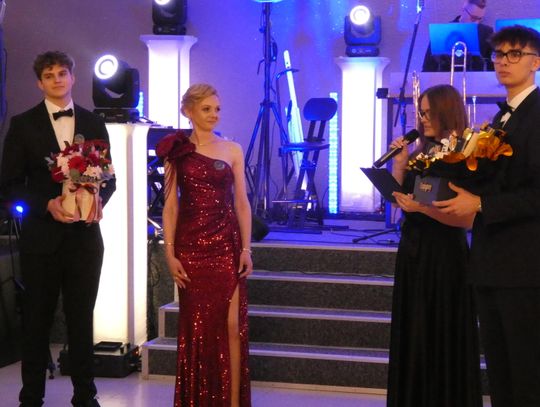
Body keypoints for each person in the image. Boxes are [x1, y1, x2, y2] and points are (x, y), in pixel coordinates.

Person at [0, 51, 115, 407]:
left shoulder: (93, 122)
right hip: (41, 240)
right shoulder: (23, 124)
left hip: (85, 239)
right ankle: (31, 398)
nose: (57, 80)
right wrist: (47, 204)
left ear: (73, 77)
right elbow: (8, 184)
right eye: (49, 75)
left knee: (82, 320)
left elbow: (109, 178)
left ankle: (85, 396)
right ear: (40, 83)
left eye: (62, 73)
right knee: (37, 321)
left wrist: (95, 202)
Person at [433, 26, 540, 407]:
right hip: (491, 260)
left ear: (535, 62)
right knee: (500, 370)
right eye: (498, 54)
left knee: (527, 373)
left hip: (525, 265)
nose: (504, 62)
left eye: (515, 54)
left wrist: (480, 205)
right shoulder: (499, 119)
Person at [386, 84, 482, 407]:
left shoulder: (463, 158)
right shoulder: (422, 155)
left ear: (445, 112)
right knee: (413, 332)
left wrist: (422, 209)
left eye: (428, 113)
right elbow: (397, 202)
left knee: (441, 333)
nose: (423, 118)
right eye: (421, 112)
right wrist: (399, 164)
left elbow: (466, 220)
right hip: (413, 252)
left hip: (444, 257)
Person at [157, 83, 252, 407]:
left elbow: (242, 204)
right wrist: (169, 252)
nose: (214, 115)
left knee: (232, 325)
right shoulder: (176, 151)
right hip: (191, 247)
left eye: (217, 109)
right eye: (206, 109)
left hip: (226, 244)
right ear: (189, 111)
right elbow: (170, 206)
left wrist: (246, 249)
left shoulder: (232, 149)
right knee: (197, 330)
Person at [422, 0, 494, 72]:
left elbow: (493, 67)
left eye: (480, 19)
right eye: (473, 18)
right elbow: (427, 69)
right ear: (463, 10)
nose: (476, 23)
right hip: (445, 78)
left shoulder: (487, 33)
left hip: (475, 78)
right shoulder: (440, 33)